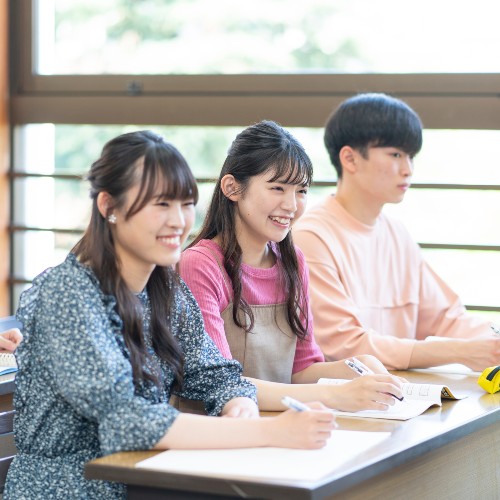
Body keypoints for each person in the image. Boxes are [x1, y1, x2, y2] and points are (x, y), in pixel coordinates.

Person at [4, 131, 337, 499]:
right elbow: (127, 419)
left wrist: (237, 403)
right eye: (161, 204)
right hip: (72, 487)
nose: (179, 221)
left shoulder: (165, 287)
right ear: (109, 207)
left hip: (151, 477)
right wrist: (271, 432)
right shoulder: (67, 293)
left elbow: (212, 373)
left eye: (185, 204)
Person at [180, 120, 403, 412]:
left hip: (282, 426)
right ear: (232, 188)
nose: (292, 204)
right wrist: (337, 396)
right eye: (277, 188)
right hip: (217, 435)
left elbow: (302, 371)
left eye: (301, 190)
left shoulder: (293, 262)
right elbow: (223, 384)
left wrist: (357, 366)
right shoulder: (199, 265)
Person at [293, 93, 500, 371]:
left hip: (402, 397)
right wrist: (456, 352)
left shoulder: (396, 233)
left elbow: (446, 319)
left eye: (411, 156)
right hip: (342, 403)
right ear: (350, 159)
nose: (408, 169)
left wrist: (493, 337)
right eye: (395, 154)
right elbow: (347, 345)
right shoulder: (311, 236)